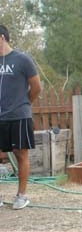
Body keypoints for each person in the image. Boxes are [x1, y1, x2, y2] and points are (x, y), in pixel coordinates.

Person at [0, 24, 42, 210]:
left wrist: (24, 104)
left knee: (21, 154)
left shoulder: (22, 60)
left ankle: (21, 195)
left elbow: (36, 87)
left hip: (19, 115)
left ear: (2, 37)